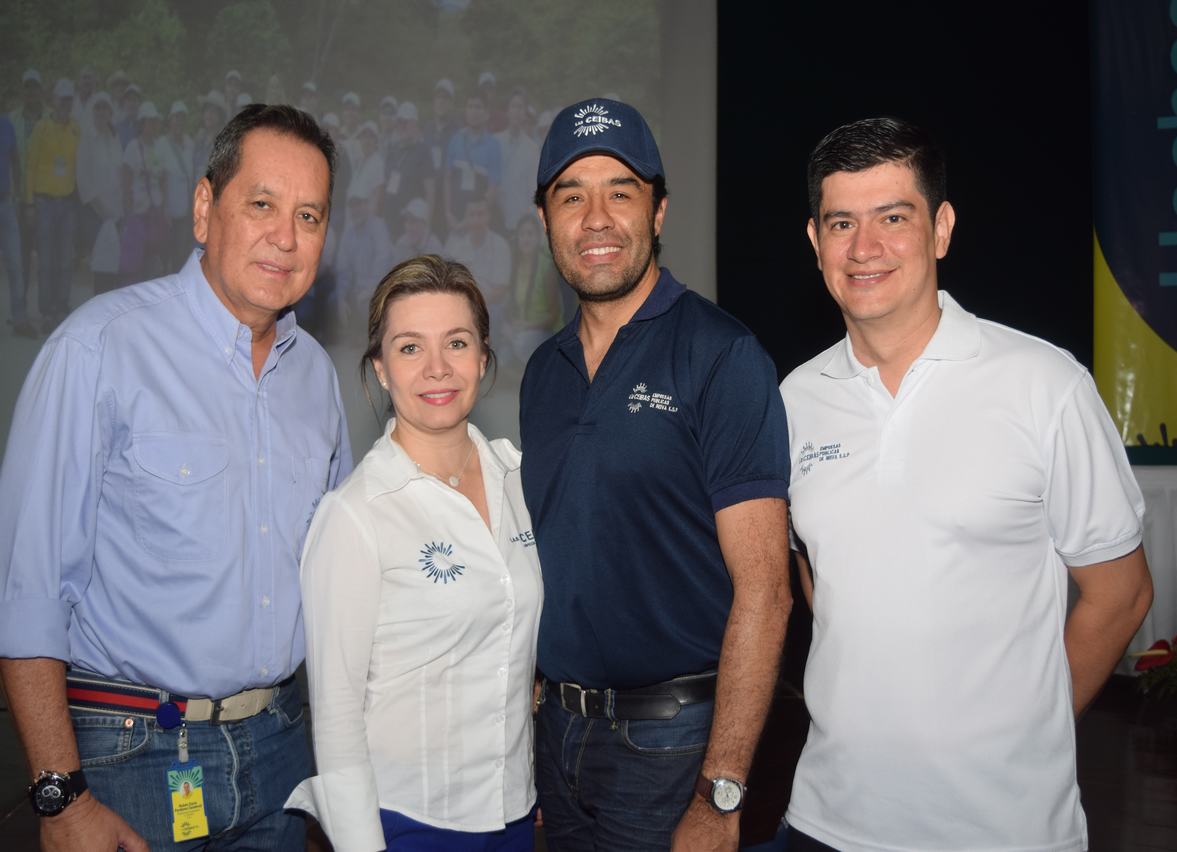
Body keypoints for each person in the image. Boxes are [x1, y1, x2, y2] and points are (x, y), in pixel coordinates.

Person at [780, 117, 1154, 852]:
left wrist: (1026, 734)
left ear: (940, 228)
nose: (865, 248)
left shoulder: (1043, 386)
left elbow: (1122, 594)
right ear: (814, 241)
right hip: (828, 821)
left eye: (893, 217)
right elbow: (814, 576)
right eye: (841, 223)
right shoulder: (792, 400)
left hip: (1003, 829)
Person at [0, 103, 352, 851]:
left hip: (283, 752)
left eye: (309, 215)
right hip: (133, 756)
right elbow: (24, 591)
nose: (285, 237)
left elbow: (341, 576)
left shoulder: (317, 377)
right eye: (261, 204)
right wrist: (60, 799)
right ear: (204, 207)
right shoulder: (98, 349)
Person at [520, 97, 792, 851]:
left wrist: (721, 793)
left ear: (659, 209)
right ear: (545, 219)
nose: (596, 217)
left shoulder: (721, 356)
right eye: (571, 195)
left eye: (621, 192)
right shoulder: (541, 374)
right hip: (556, 739)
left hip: (672, 748)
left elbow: (766, 592)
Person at [287, 254, 542, 851]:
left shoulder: (520, 481)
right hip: (409, 822)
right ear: (380, 369)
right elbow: (336, 713)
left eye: (456, 342)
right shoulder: (355, 515)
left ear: (483, 358)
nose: (436, 368)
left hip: (513, 812)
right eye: (408, 348)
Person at [25, 78, 80, 332]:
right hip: (45, 202)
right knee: (46, 259)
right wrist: (29, 203)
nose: (65, 105)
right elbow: (29, 167)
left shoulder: (75, 129)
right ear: (54, 101)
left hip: (68, 203)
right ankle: (47, 312)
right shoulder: (41, 129)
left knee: (65, 259)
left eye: (69, 100)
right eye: (62, 99)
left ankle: (61, 308)